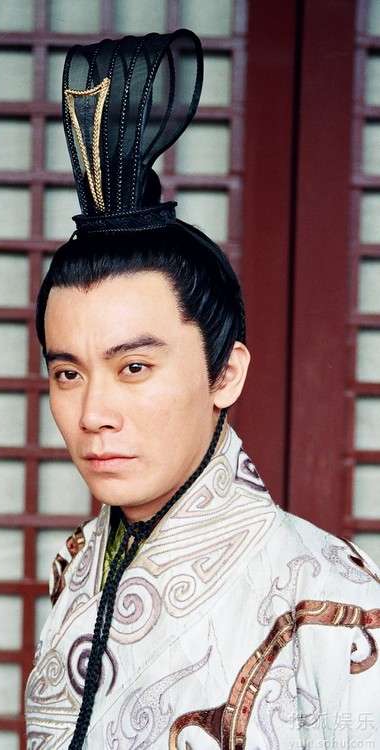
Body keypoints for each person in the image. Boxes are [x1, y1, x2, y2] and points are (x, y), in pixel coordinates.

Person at [25, 29, 380, 750]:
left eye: (134, 368)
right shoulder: (78, 566)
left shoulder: (329, 601)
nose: (93, 414)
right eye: (68, 373)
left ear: (226, 374)